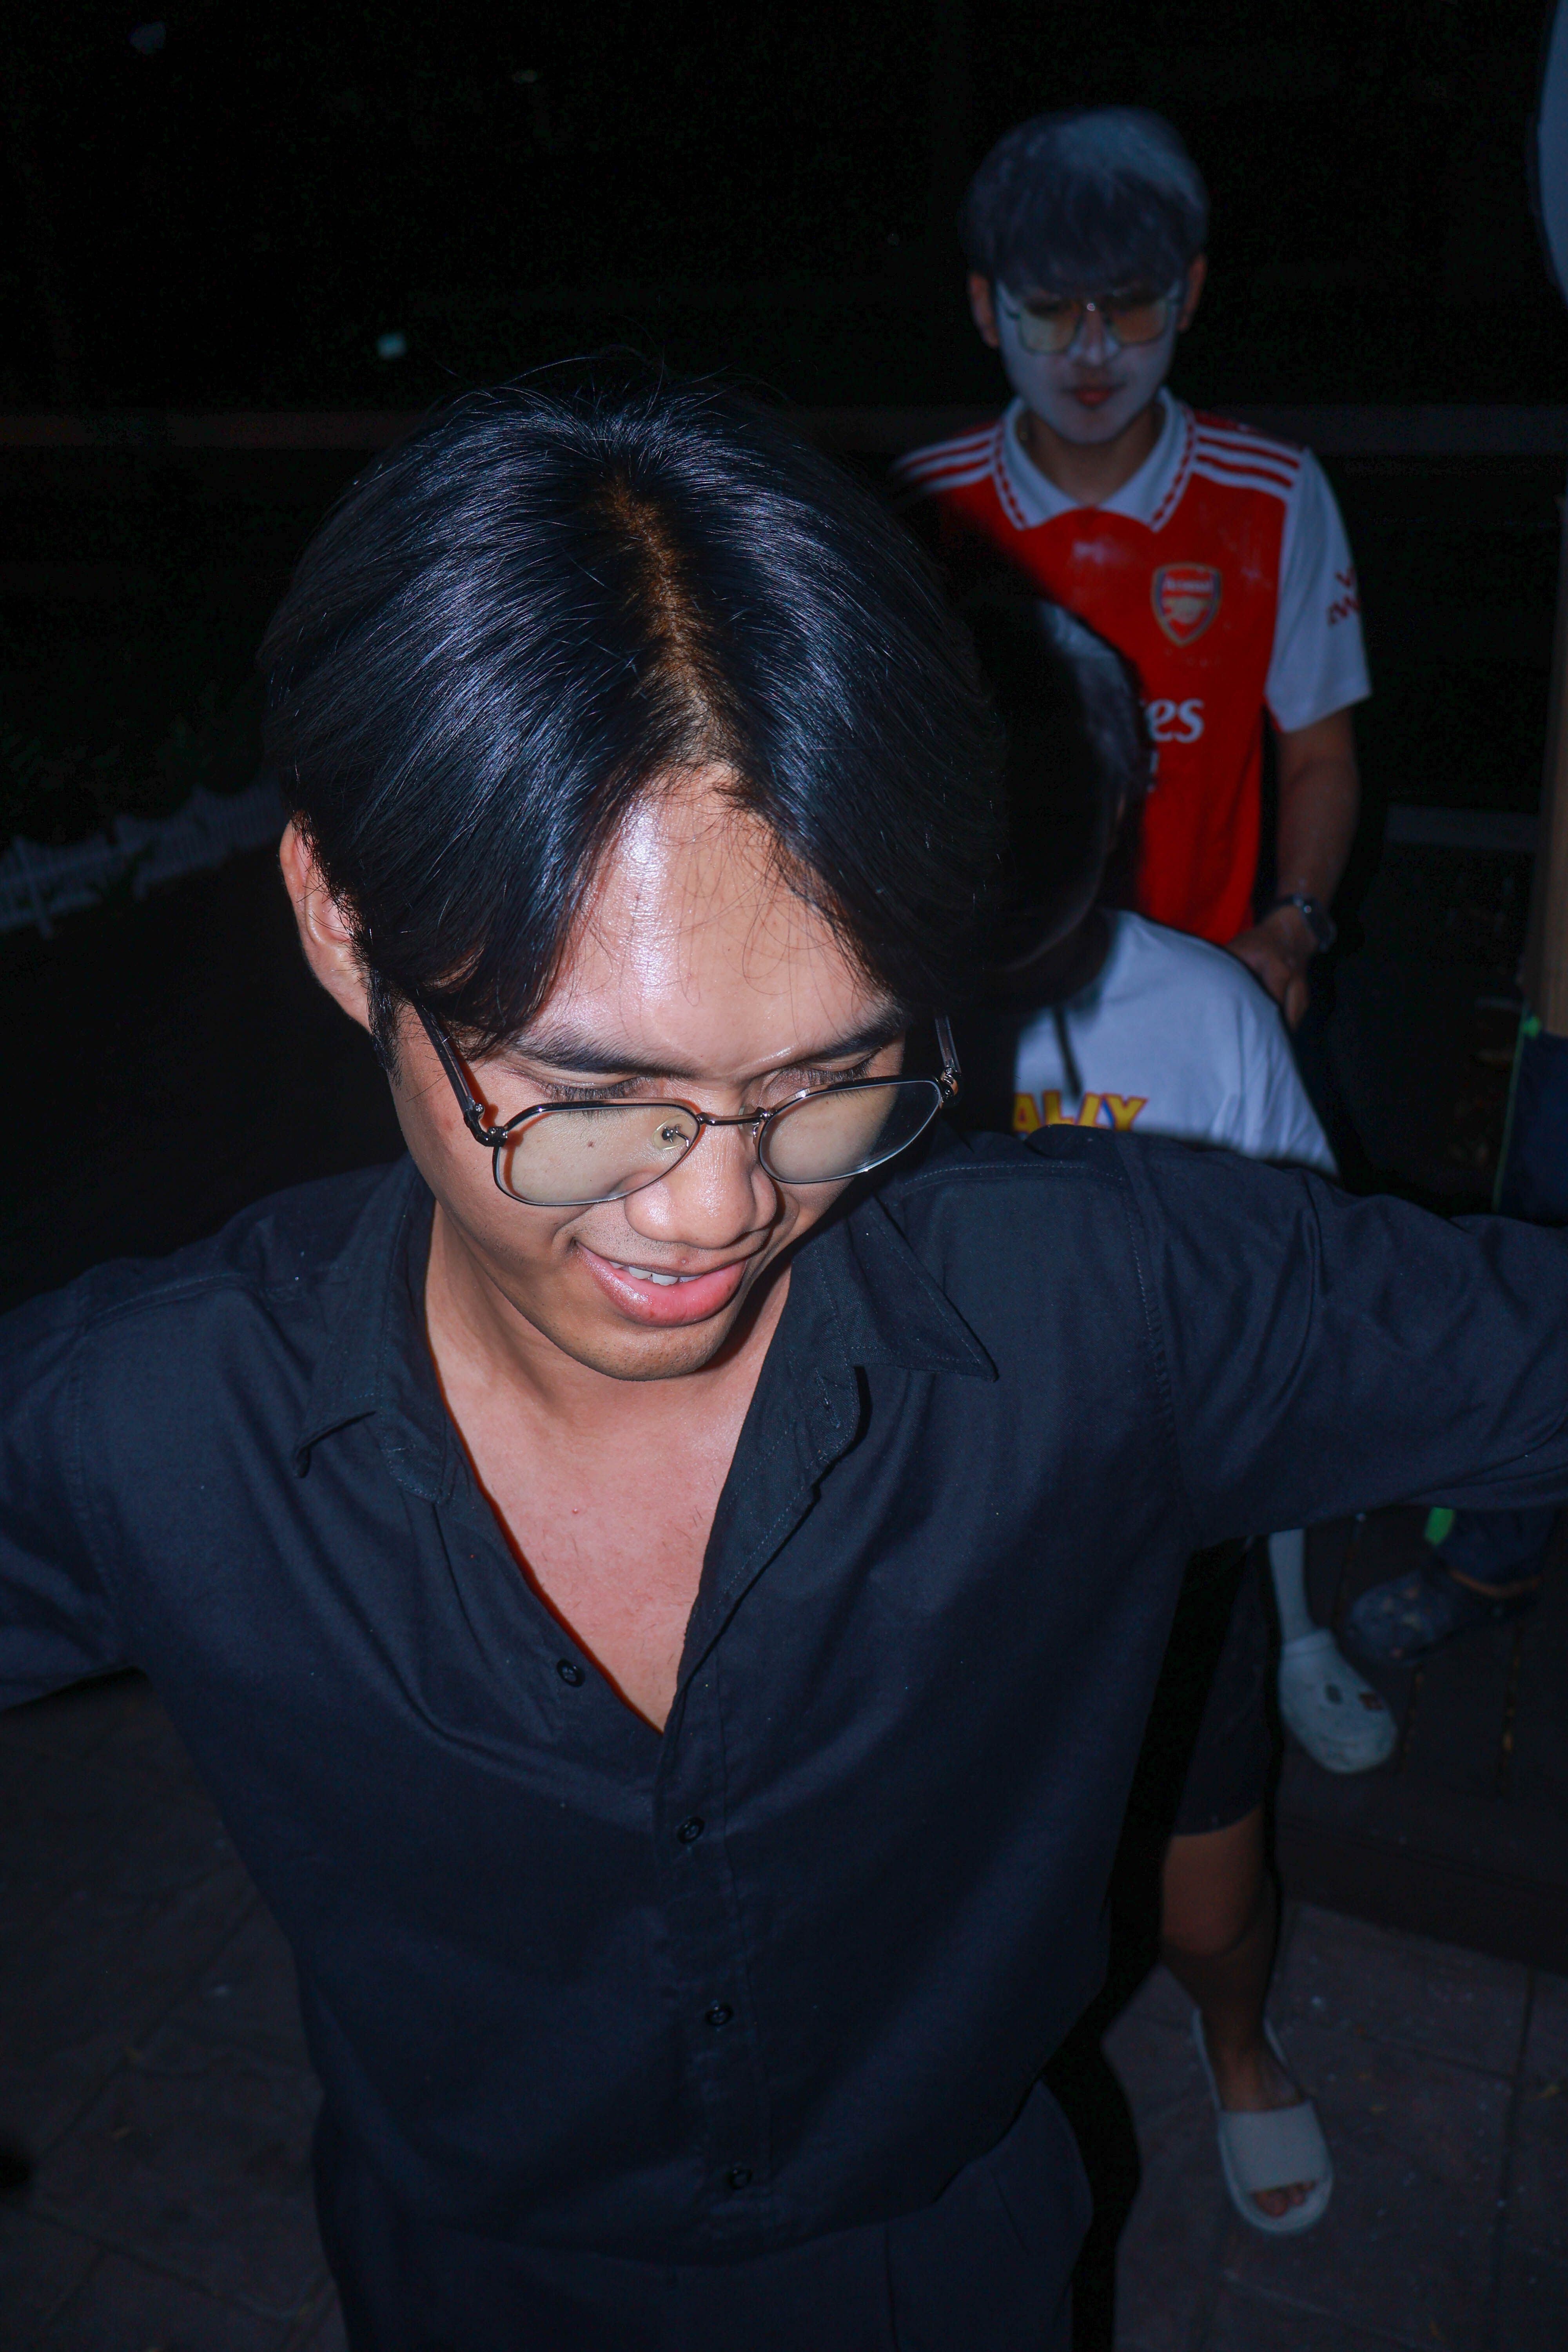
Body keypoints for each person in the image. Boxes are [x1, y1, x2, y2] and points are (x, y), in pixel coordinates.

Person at [7, 376, 1568, 2352]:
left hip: (958, 2274)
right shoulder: (155, 1425)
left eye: (834, 1079)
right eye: (592, 1098)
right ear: (341, 922)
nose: (717, 1211)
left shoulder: (1110, 1308)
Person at [892, 103, 1374, 1758]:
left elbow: (1319, 748)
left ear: (1191, 296)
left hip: (1209, 1005)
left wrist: (1291, 929)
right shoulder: (923, 505)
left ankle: (1288, 1629)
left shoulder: (1271, 493)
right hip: (990, 1001)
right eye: (1049, 309)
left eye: (1130, 307)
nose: (1091, 351)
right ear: (985, 309)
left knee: (1248, 1309)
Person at [957, 599, 1391, 2237]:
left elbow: (1307, 1285)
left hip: (1165, 1552)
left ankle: (1239, 2044)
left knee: (1207, 1905)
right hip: (947, 1563)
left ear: (1121, 799)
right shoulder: (858, 1010)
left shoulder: (1205, 1009)